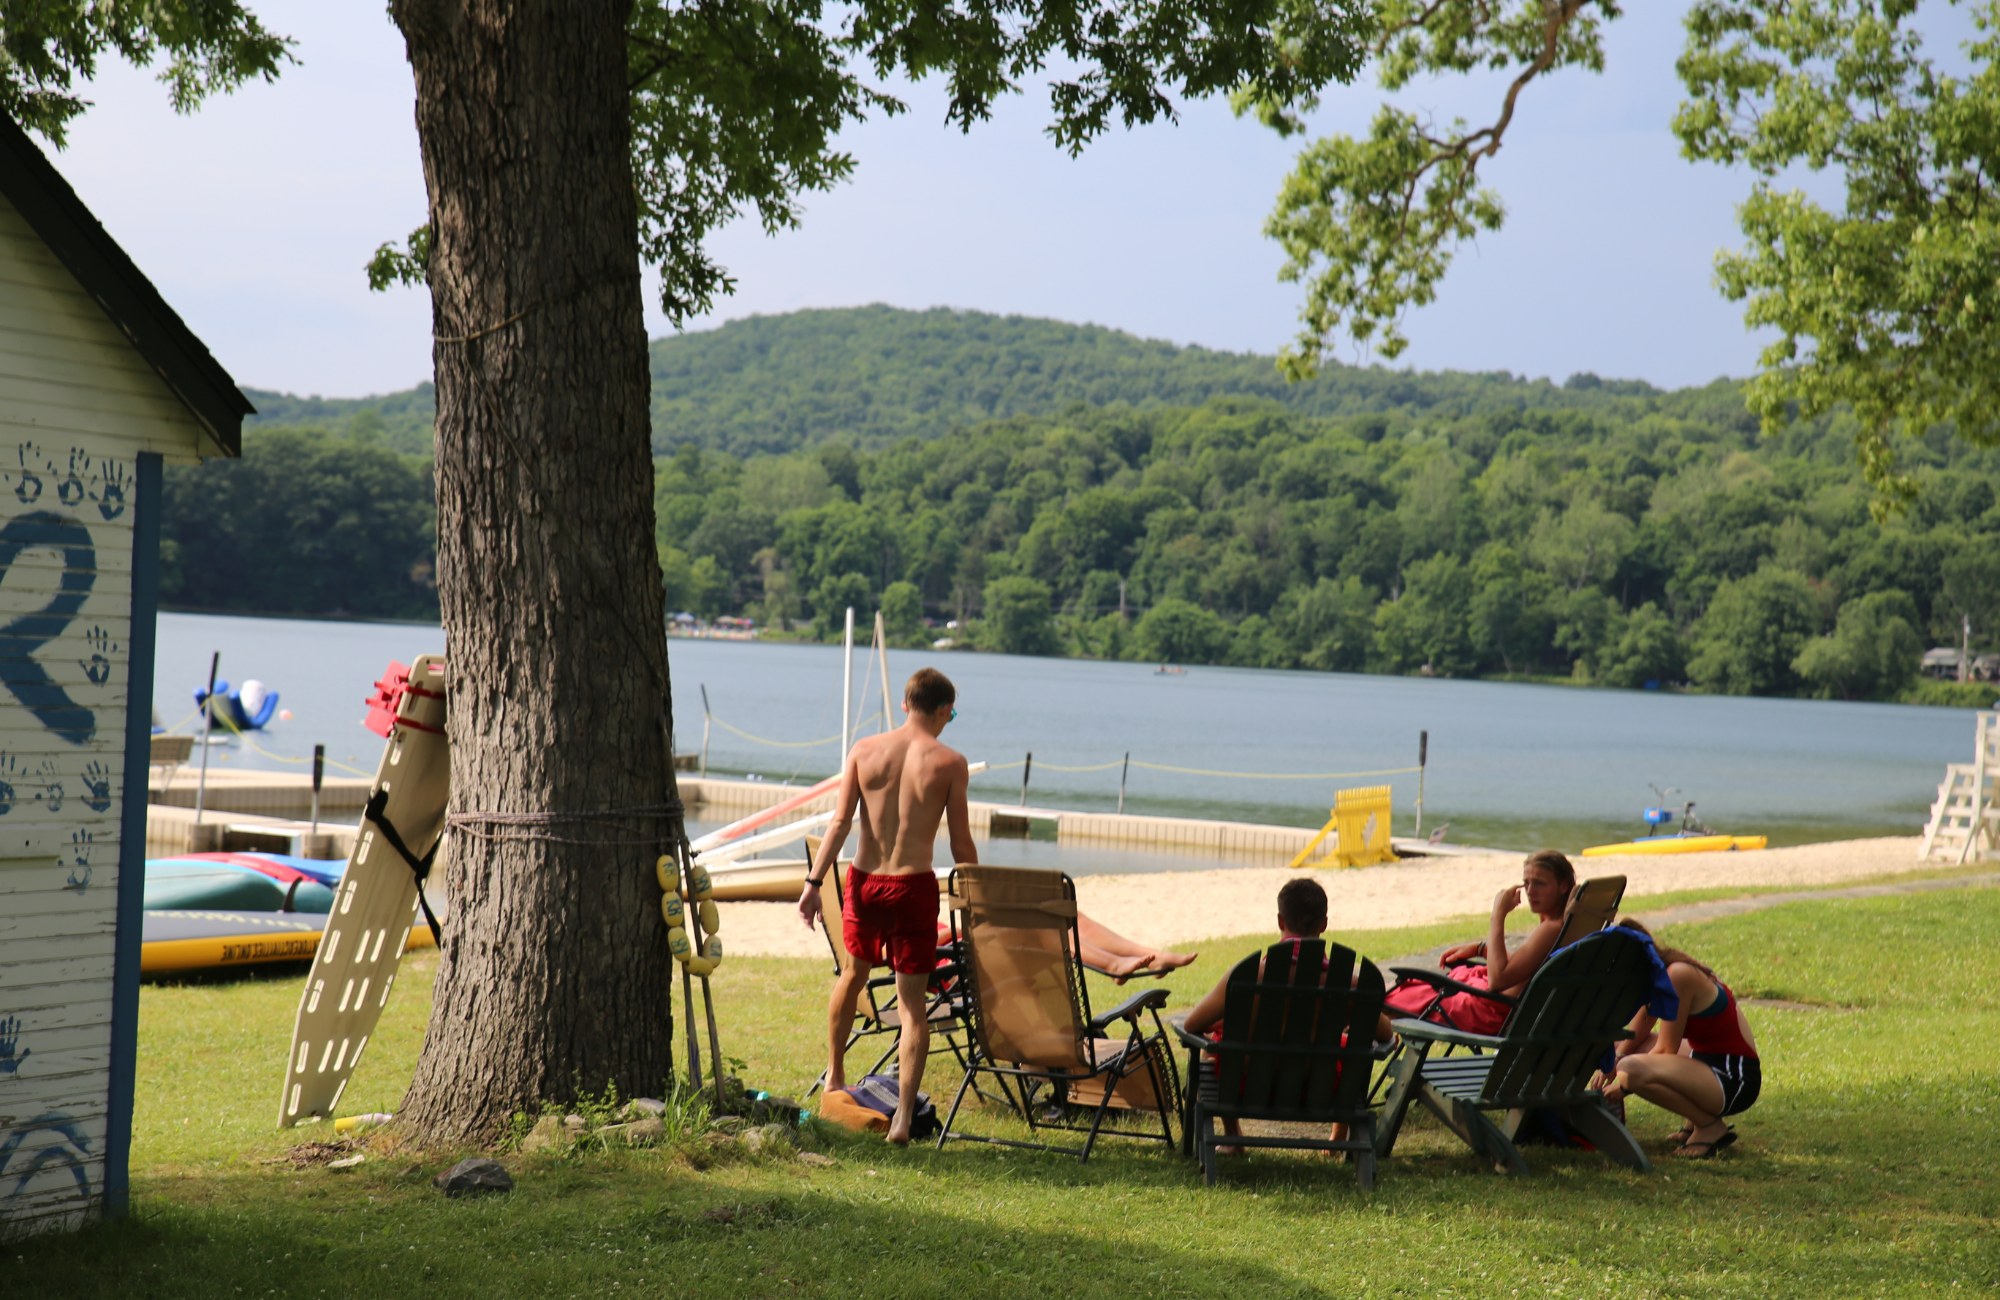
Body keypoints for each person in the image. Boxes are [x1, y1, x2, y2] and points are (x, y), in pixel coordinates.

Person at [798, 666, 976, 1145]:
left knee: (851, 976)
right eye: (951, 714)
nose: (949, 721)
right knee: (912, 1007)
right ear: (941, 710)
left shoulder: (863, 751)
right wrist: (976, 894)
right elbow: (961, 844)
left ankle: (834, 1078)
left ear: (904, 703)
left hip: (863, 882)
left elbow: (838, 824)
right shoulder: (950, 763)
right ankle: (900, 1122)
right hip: (912, 886)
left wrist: (814, 883)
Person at [1182, 877, 1388, 1148]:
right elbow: (1386, 1035)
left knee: (1219, 1044)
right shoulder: (1350, 984)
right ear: (1324, 924)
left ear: (1280, 921)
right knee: (1349, 1048)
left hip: (1249, 1085)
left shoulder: (1247, 976)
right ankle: (1337, 1140)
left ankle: (1233, 1137)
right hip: (1322, 1086)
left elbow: (1191, 1025)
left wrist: (1229, 1022)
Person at [1599, 917, 1761, 1159]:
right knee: (1625, 1052)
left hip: (1733, 1080)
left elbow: (1665, 1050)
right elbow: (1643, 1023)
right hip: (1712, 1063)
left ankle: (1708, 1127)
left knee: (1631, 1069)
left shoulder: (1677, 975)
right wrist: (1617, 1054)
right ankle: (1692, 1124)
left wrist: (1622, 1084)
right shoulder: (1665, 969)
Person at [1382, 849, 1577, 1034]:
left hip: (1490, 1012)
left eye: (1540, 883)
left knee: (1393, 996)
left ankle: (1375, 1035)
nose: (1530, 891)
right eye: (1526, 883)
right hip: (1505, 1006)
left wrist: (1498, 915)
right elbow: (1526, 969)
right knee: (1417, 988)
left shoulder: (1551, 928)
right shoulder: (1566, 925)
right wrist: (1482, 949)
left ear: (1563, 886)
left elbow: (1497, 980)